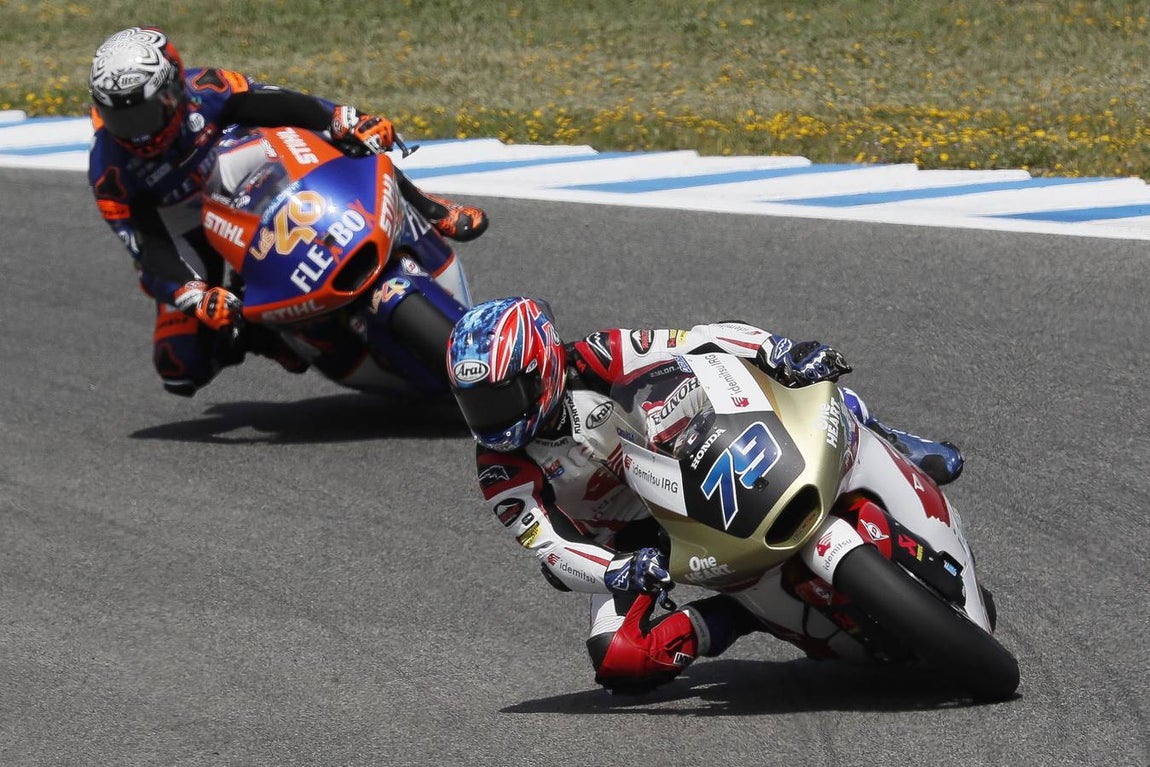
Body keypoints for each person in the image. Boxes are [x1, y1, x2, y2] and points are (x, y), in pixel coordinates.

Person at [446, 297, 964, 693]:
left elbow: (699, 339)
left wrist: (775, 350)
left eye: (500, 398)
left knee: (794, 379)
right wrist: (612, 570)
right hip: (630, 545)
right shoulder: (498, 469)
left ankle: (883, 433)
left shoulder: (596, 356)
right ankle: (745, 613)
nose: (490, 421)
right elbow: (550, 547)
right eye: (474, 405)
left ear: (543, 366)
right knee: (620, 660)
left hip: (679, 467)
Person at [87, 26, 488, 396]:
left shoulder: (206, 87)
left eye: (142, 115)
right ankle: (267, 334)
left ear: (173, 91)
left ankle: (429, 208)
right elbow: (148, 246)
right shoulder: (110, 171)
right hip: (181, 225)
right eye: (121, 119)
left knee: (345, 140)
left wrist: (343, 118)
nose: (136, 133)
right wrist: (194, 294)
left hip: (240, 171)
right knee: (179, 366)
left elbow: (276, 103)